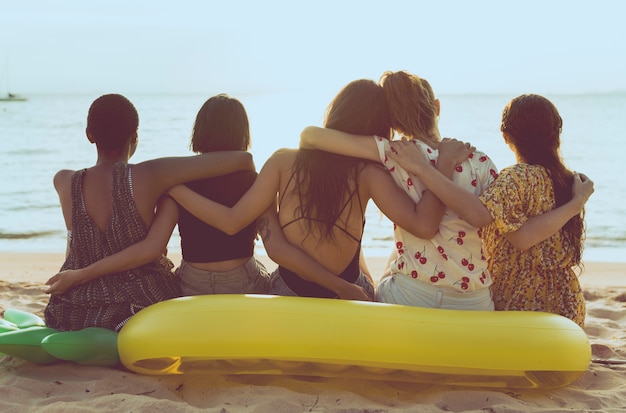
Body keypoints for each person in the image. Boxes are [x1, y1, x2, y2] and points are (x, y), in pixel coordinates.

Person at [167, 79, 470, 300]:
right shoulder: (370, 173)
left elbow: (273, 247)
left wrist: (171, 185)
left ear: (335, 111)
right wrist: (344, 287)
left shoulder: (282, 161)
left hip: (290, 291)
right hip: (347, 290)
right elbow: (422, 225)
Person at [43, 93, 256, 332]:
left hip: (78, 301)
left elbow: (74, 245)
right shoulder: (151, 174)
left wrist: (78, 276)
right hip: (137, 299)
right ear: (135, 136)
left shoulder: (63, 180)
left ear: (89, 135)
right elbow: (242, 159)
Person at [387, 94, 593, 327]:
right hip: (567, 303)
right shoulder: (569, 181)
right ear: (556, 134)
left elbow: (515, 234)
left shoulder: (516, 178)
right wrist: (576, 204)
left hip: (523, 300)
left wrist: (425, 169)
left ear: (506, 137)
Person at [300, 70, 499, 310]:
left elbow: (310, 136)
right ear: (437, 107)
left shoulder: (393, 153)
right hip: (473, 300)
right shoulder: (479, 160)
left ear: (392, 121)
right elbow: (487, 219)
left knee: (387, 270)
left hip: (412, 296)